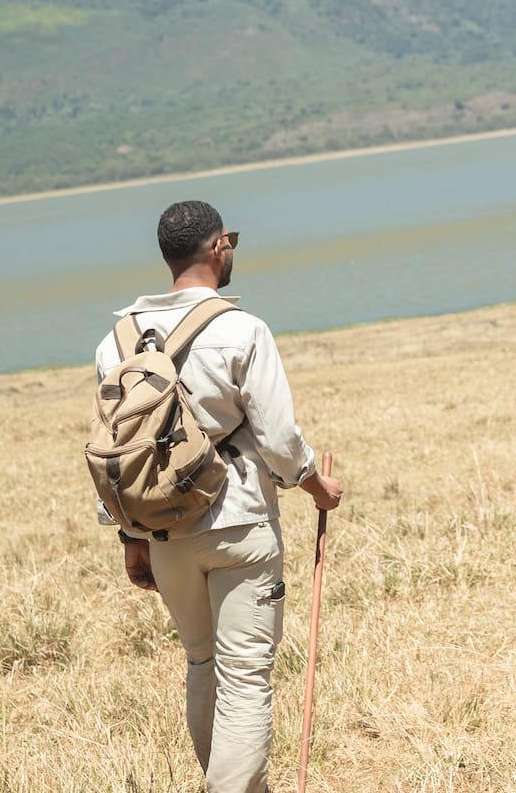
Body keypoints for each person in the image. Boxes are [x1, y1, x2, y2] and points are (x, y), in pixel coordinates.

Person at [98, 200, 343, 793]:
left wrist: (131, 537)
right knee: (246, 677)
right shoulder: (242, 330)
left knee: (203, 664)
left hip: (160, 531)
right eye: (230, 239)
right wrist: (319, 486)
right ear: (218, 249)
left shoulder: (116, 341)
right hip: (239, 523)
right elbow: (281, 442)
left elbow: (116, 449)